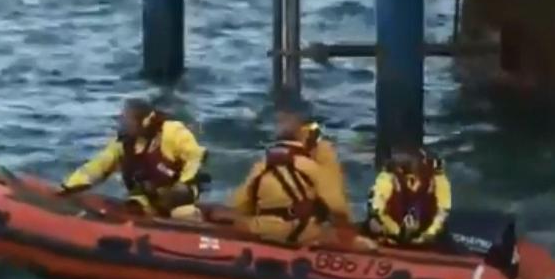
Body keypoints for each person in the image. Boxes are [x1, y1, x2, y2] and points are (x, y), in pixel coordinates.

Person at [60, 98, 206, 219]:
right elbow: (97, 167)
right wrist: (69, 186)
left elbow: (195, 156)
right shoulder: (123, 144)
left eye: (127, 119)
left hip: (178, 194)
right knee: (133, 209)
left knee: (182, 212)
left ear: (144, 122)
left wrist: (184, 183)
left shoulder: (172, 132)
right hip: (148, 196)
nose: (123, 124)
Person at [227, 104, 353, 245]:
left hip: (263, 229)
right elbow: (338, 208)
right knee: (332, 235)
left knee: (241, 224)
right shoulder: (311, 168)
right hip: (303, 231)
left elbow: (239, 204)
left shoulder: (261, 166)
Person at [366, 146, 452, 246]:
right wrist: (397, 232)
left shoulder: (437, 177)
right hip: (391, 231)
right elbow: (377, 208)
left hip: (427, 233)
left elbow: (443, 210)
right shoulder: (388, 176)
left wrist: (428, 234)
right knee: (373, 224)